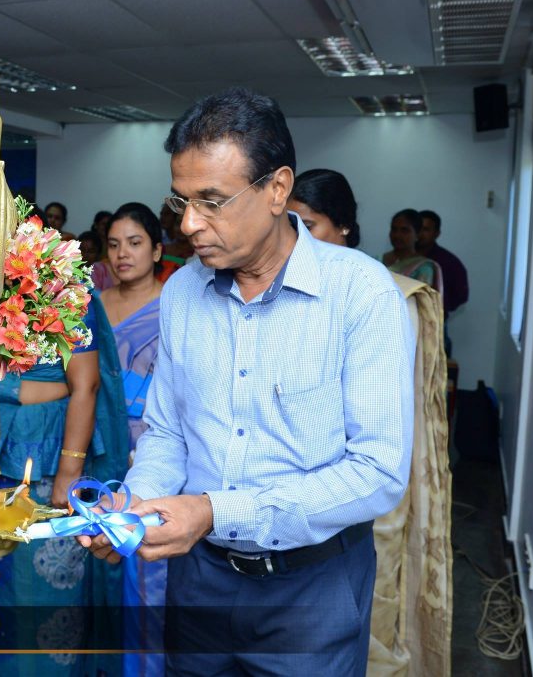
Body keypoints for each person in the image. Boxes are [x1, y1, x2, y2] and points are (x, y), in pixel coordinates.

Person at [80, 88, 414, 675]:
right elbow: (168, 431)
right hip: (200, 579)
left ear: (277, 189)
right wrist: (136, 502)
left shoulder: (361, 293)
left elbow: (377, 472)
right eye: (181, 201)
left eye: (211, 202)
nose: (189, 224)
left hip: (311, 586)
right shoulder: (183, 291)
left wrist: (214, 510)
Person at [290, 168, 453, 676]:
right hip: (297, 493)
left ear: (343, 227)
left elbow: (388, 417)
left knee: (366, 618)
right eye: (286, 225)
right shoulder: (283, 292)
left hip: (364, 486)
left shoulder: (386, 296)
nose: (294, 239)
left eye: (307, 226)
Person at [0, 288, 129, 676]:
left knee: (48, 590)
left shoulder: (68, 291)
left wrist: (69, 472)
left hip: (49, 456)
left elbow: (86, 385)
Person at [99, 202, 166, 677]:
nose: (123, 253)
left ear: (157, 250)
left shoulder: (175, 306)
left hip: (154, 448)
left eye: (135, 243)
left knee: (146, 566)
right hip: (97, 441)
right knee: (95, 552)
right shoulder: (92, 304)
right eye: (114, 244)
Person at [419, 209, 468, 354]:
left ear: (437, 233)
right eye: (419, 228)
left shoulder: (448, 261)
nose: (421, 234)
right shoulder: (402, 258)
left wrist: (437, 305)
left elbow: (461, 295)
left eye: (426, 229)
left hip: (436, 325)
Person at [383, 209, 443, 294]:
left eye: (404, 230)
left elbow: (421, 298)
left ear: (417, 234)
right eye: (394, 229)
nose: (397, 235)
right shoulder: (377, 260)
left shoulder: (423, 267)